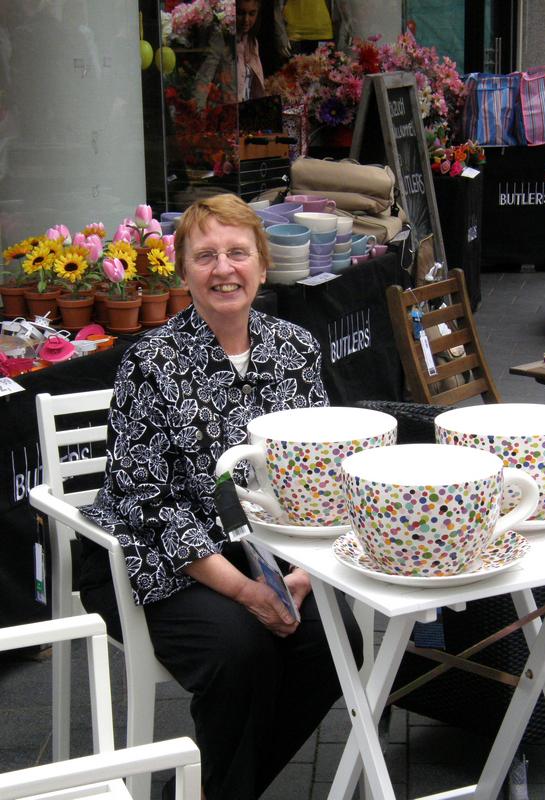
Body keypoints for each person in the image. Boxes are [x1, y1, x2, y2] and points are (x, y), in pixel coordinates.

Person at [78, 193, 362, 800]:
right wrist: (249, 593)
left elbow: (319, 477)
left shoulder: (295, 348)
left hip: (269, 555)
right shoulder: (150, 362)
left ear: (263, 263)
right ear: (184, 272)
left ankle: (203, 792)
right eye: (205, 255)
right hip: (160, 557)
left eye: (238, 252)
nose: (223, 269)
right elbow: (151, 505)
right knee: (240, 651)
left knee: (334, 646)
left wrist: (299, 578)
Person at [237, 0, 265, 101]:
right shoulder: (224, 44)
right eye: (240, 13)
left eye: (252, 14)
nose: (246, 20)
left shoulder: (253, 42)